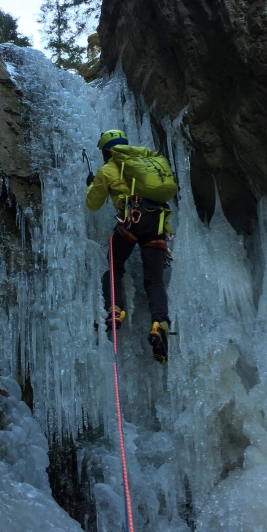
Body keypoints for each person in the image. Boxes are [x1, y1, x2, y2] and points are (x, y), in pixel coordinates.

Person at [85, 129, 174, 362]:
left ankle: (115, 309)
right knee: (154, 281)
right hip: (157, 223)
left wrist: (92, 184)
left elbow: (93, 203)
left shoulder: (107, 170)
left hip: (132, 220)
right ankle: (160, 323)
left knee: (114, 265)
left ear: (106, 152)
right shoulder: (143, 164)